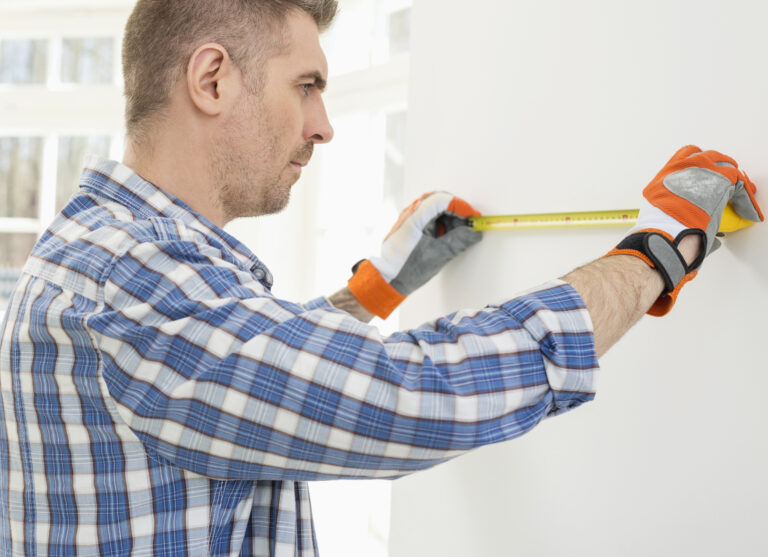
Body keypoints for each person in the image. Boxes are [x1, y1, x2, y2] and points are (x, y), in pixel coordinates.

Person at [0, 0, 763, 555]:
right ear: (211, 80)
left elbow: (226, 368)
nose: (325, 124)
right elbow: (417, 395)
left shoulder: (97, 252)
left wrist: (369, 294)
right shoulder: (136, 286)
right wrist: (654, 254)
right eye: (306, 85)